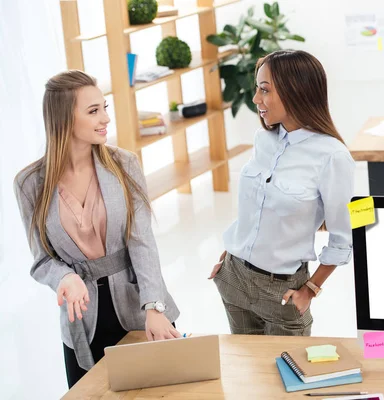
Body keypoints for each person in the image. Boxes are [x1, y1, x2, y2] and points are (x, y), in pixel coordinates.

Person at [13, 70, 181, 388]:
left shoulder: (124, 164)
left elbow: (143, 243)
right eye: (93, 111)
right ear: (63, 118)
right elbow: (41, 260)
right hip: (83, 321)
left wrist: (155, 307)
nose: (105, 118)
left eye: (104, 107)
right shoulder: (29, 184)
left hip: (140, 308)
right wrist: (66, 277)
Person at [208, 50, 355, 336]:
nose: (255, 99)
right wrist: (230, 256)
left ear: (296, 91)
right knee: (249, 374)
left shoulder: (332, 156)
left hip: (283, 289)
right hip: (234, 279)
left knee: (286, 375)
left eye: (265, 90)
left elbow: (343, 238)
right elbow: (255, 208)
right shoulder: (263, 139)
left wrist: (311, 289)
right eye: (257, 89)